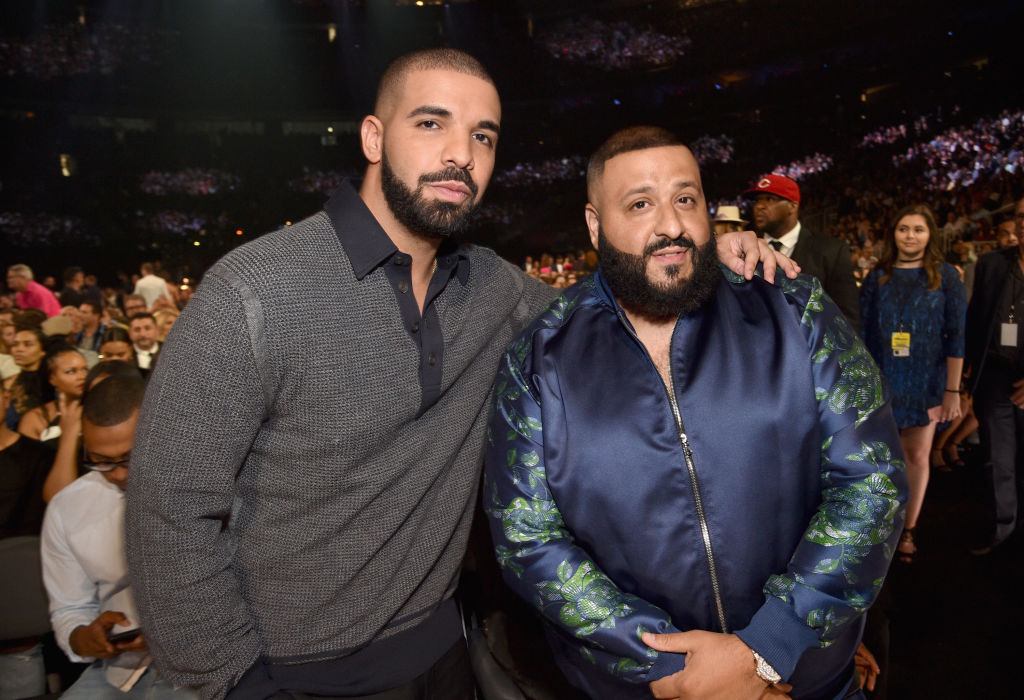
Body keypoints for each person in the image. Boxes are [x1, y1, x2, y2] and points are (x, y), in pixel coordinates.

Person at [124, 49, 794, 700]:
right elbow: (169, 512)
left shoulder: (495, 291)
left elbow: (615, 301)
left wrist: (707, 250)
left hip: (447, 657)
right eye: (431, 123)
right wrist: (237, 686)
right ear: (373, 137)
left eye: (482, 135)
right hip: (292, 674)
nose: (459, 154)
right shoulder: (254, 292)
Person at [484, 127, 906, 700]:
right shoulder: (539, 359)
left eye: (686, 199)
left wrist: (768, 648)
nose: (672, 225)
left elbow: (872, 480)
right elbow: (528, 540)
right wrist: (671, 667)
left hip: (806, 682)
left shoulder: (791, 307)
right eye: (640, 204)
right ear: (594, 224)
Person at [41, 374, 196, 699]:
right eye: (102, 462)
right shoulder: (67, 509)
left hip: (204, 664)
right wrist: (85, 638)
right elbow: (70, 608)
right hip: (122, 670)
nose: (119, 474)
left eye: (130, 457)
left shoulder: (204, 482)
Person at [860, 204, 965, 563]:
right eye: (903, 228)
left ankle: (909, 528)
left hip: (926, 383)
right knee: (884, 459)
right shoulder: (878, 277)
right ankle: (884, 526)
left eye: (918, 229)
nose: (910, 236)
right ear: (893, 233)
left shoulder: (946, 276)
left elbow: (957, 337)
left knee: (918, 456)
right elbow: (865, 334)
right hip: (884, 379)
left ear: (930, 234)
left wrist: (952, 390)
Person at [965, 195, 1024, 555]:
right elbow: (976, 322)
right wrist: (968, 379)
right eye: (1020, 216)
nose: (1023, 223)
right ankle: (1004, 534)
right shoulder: (991, 264)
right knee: (997, 461)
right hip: (997, 378)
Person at [745, 175, 861, 330]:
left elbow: (847, 317)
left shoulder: (832, 251)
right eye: (757, 200)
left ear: (793, 206)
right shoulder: (744, 250)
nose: (760, 206)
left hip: (810, 351)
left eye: (770, 199)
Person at [18, 345, 88, 448]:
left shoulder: (98, 409)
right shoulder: (36, 418)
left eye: (85, 370)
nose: (82, 376)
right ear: (52, 379)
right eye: (71, 371)